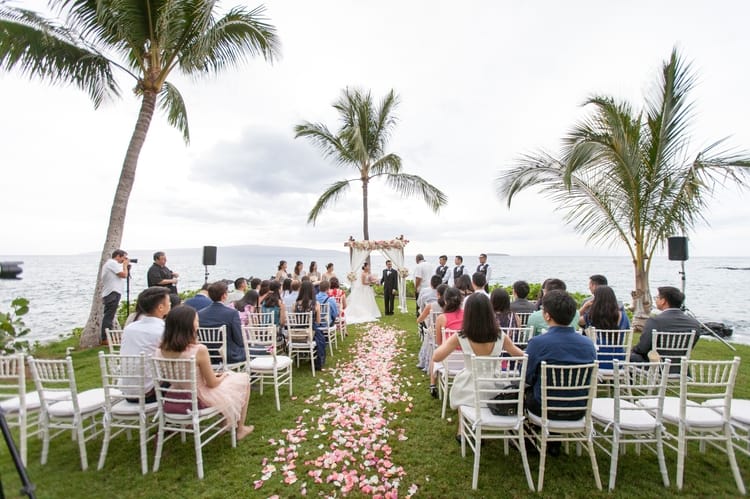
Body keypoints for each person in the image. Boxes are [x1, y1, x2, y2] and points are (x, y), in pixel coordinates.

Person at [155, 305, 254, 440]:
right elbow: (212, 383)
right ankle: (240, 428)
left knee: (229, 381)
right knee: (243, 379)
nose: (198, 324)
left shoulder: (160, 350)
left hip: (172, 396)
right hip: (198, 398)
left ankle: (226, 423)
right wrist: (223, 376)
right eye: (196, 321)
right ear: (189, 325)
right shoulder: (198, 350)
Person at [433, 293, 524, 438]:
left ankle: (462, 430)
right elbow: (522, 357)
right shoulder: (500, 336)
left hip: (469, 389)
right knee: (465, 383)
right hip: (495, 388)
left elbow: (436, 356)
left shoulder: (461, 336)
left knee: (460, 383)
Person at [525, 290, 597, 423]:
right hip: (579, 409)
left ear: (547, 316)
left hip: (544, 408)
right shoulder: (588, 344)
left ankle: (527, 436)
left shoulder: (538, 343)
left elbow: (527, 376)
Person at [120, 286, 171, 402]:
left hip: (127, 391)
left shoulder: (129, 328)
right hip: (150, 392)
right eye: (169, 302)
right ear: (160, 307)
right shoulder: (163, 329)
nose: (170, 304)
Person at [630, 286, 700, 363]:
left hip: (657, 366)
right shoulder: (694, 324)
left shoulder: (655, 321)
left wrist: (632, 349)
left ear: (663, 301)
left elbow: (643, 348)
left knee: (629, 356)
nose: (655, 300)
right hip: (680, 365)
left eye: (657, 297)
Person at [197, 281, 245, 366]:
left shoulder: (200, 313)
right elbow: (239, 340)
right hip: (229, 355)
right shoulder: (232, 313)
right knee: (253, 350)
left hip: (207, 355)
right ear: (224, 295)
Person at [294, 281, 326, 370]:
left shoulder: (296, 304)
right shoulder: (315, 304)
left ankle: (301, 356)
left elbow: (296, 319)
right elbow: (318, 321)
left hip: (298, 332)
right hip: (311, 332)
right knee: (322, 340)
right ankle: (317, 360)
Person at [100, 249, 129, 344]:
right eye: (124, 258)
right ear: (118, 256)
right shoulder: (112, 263)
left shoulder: (112, 265)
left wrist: (125, 266)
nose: (124, 260)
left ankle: (108, 337)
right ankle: (105, 338)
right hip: (112, 292)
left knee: (110, 316)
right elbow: (124, 275)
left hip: (113, 292)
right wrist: (125, 266)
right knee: (109, 316)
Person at [413, 254, 433, 318]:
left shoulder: (419, 266)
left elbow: (418, 278)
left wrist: (416, 287)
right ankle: (428, 315)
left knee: (419, 303)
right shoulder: (430, 265)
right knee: (428, 302)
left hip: (422, 288)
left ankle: (419, 315)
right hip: (430, 287)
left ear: (417, 259)